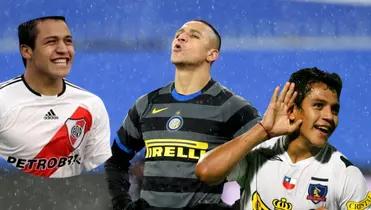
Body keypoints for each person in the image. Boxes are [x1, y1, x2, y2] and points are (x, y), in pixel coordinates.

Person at [104, 19, 261, 210]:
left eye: (194, 35)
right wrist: (122, 205)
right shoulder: (147, 104)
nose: (181, 37)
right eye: (179, 33)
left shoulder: (233, 107)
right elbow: (116, 160)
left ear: (212, 54)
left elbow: (268, 164)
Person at [196, 67, 371, 210]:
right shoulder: (258, 152)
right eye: (318, 106)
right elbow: (205, 172)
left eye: (334, 110)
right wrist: (263, 130)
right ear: (292, 110)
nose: (329, 116)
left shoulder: (346, 175)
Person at [0, 16, 112, 178]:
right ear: (26, 51)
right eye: (51, 42)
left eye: (68, 41)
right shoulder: (3, 100)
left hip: (72, 201)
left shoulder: (91, 104)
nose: (63, 49)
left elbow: (99, 176)